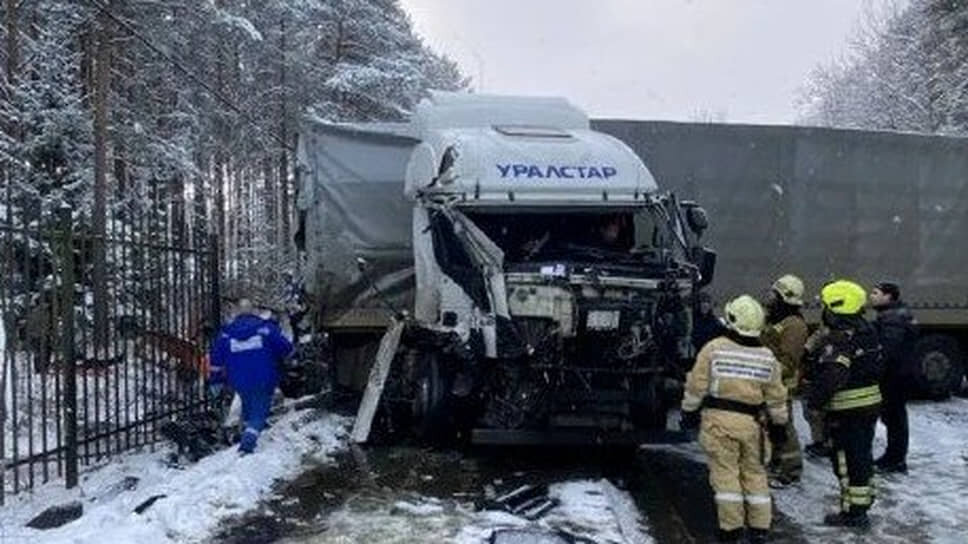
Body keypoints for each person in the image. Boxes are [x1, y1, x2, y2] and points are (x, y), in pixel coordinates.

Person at [680, 295, 788, 543]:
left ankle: (731, 530)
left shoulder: (714, 349)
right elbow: (776, 396)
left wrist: (689, 412)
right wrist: (779, 425)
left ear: (731, 320)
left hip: (719, 424)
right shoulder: (766, 356)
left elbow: (696, 385)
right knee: (755, 474)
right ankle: (760, 528)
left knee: (726, 475)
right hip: (753, 426)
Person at [807, 280, 883, 530]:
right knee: (862, 458)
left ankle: (854, 513)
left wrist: (814, 403)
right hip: (868, 407)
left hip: (847, 412)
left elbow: (831, 378)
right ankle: (862, 503)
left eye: (827, 307)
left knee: (848, 463)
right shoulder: (867, 331)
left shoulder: (840, 340)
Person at [209, 298, 294, 454]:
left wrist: (216, 380)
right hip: (264, 377)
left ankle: (248, 427)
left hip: (238, 379)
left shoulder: (226, 334)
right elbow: (286, 348)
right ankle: (248, 443)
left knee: (248, 403)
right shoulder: (266, 329)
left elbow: (215, 359)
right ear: (253, 312)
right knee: (260, 410)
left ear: (238, 313)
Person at [760, 274, 809, 487]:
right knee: (772, 426)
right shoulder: (777, 320)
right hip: (770, 382)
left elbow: (788, 362)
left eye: (775, 295)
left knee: (784, 428)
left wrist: (764, 371)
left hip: (781, 385)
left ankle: (791, 471)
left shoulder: (794, 326)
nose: (770, 298)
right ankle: (777, 463)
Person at [870, 281, 918, 474]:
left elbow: (888, 352)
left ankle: (895, 459)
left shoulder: (892, 320)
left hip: (895, 377)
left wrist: (876, 371)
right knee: (895, 417)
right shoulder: (895, 315)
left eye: (875, 293)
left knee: (895, 418)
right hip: (899, 375)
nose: (871, 296)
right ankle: (894, 457)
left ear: (888, 297)